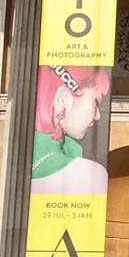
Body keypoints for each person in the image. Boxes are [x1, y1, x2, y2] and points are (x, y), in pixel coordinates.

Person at [30, 65, 111, 193]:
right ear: (63, 99)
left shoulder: (12, 157)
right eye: (96, 102)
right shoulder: (89, 175)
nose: (98, 115)